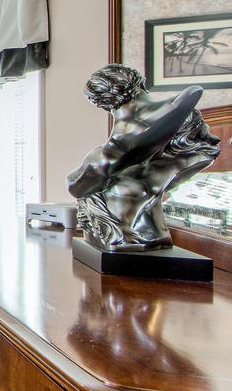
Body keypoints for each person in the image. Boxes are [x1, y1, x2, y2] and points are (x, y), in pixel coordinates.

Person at [67, 64, 219, 251]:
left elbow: (76, 186)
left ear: (100, 102)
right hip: (133, 216)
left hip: (124, 210)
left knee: (87, 179)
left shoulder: (113, 149)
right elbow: (194, 92)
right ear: (138, 82)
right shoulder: (181, 109)